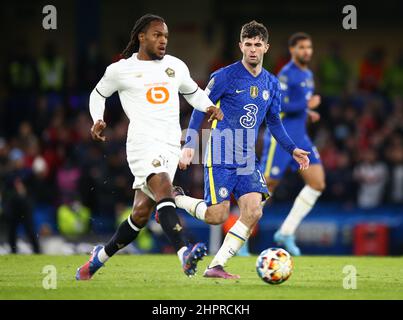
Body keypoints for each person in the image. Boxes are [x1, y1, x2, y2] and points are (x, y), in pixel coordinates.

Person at [76, 14, 223, 280]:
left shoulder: (175, 66)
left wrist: (209, 106)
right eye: (157, 34)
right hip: (143, 143)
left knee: (140, 214)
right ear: (141, 37)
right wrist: (98, 119)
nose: (163, 40)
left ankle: (96, 260)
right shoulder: (120, 70)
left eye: (165, 35)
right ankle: (184, 253)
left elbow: (192, 92)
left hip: (170, 144)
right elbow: (98, 94)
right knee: (164, 189)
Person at [175, 21, 310, 279]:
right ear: (240, 46)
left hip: (247, 157)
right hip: (221, 152)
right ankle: (176, 197)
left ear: (266, 47)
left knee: (254, 210)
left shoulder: (271, 84)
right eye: (247, 44)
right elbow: (199, 106)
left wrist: (292, 149)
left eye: (257, 44)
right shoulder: (224, 76)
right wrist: (190, 145)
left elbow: (274, 122)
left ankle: (216, 265)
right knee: (217, 215)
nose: (252, 49)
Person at [260, 32, 325, 256]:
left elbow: (297, 106)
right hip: (281, 138)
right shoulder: (286, 75)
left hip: (301, 137)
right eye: (301, 47)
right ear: (292, 50)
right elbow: (280, 106)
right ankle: (238, 237)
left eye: (309, 47)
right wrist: (306, 103)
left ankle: (286, 232)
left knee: (317, 183)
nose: (306, 51)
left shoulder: (307, 74)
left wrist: (307, 111)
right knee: (266, 187)